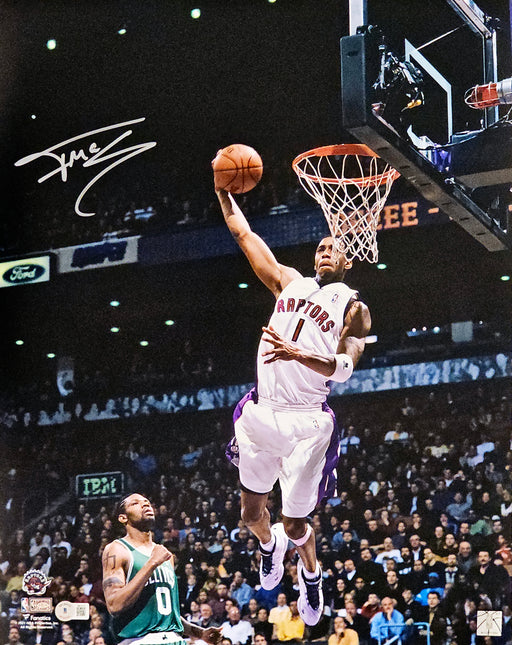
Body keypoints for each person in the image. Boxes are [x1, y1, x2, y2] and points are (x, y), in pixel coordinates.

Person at [215, 185, 370, 628]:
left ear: (348, 260)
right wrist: (223, 192)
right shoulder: (289, 282)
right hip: (263, 411)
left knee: (295, 521)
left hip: (308, 422)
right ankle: (270, 547)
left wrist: (300, 354)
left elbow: (345, 367)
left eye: (333, 248)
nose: (324, 252)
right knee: (250, 514)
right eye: (320, 247)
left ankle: (311, 574)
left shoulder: (354, 307)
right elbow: (245, 235)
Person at [101, 493, 222, 645]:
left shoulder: (165, 555)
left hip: (174, 640)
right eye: (135, 503)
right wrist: (152, 563)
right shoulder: (117, 549)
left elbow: (166, 613)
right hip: (140, 640)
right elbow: (114, 605)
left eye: (146, 502)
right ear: (123, 518)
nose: (145, 504)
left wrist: (200, 633)